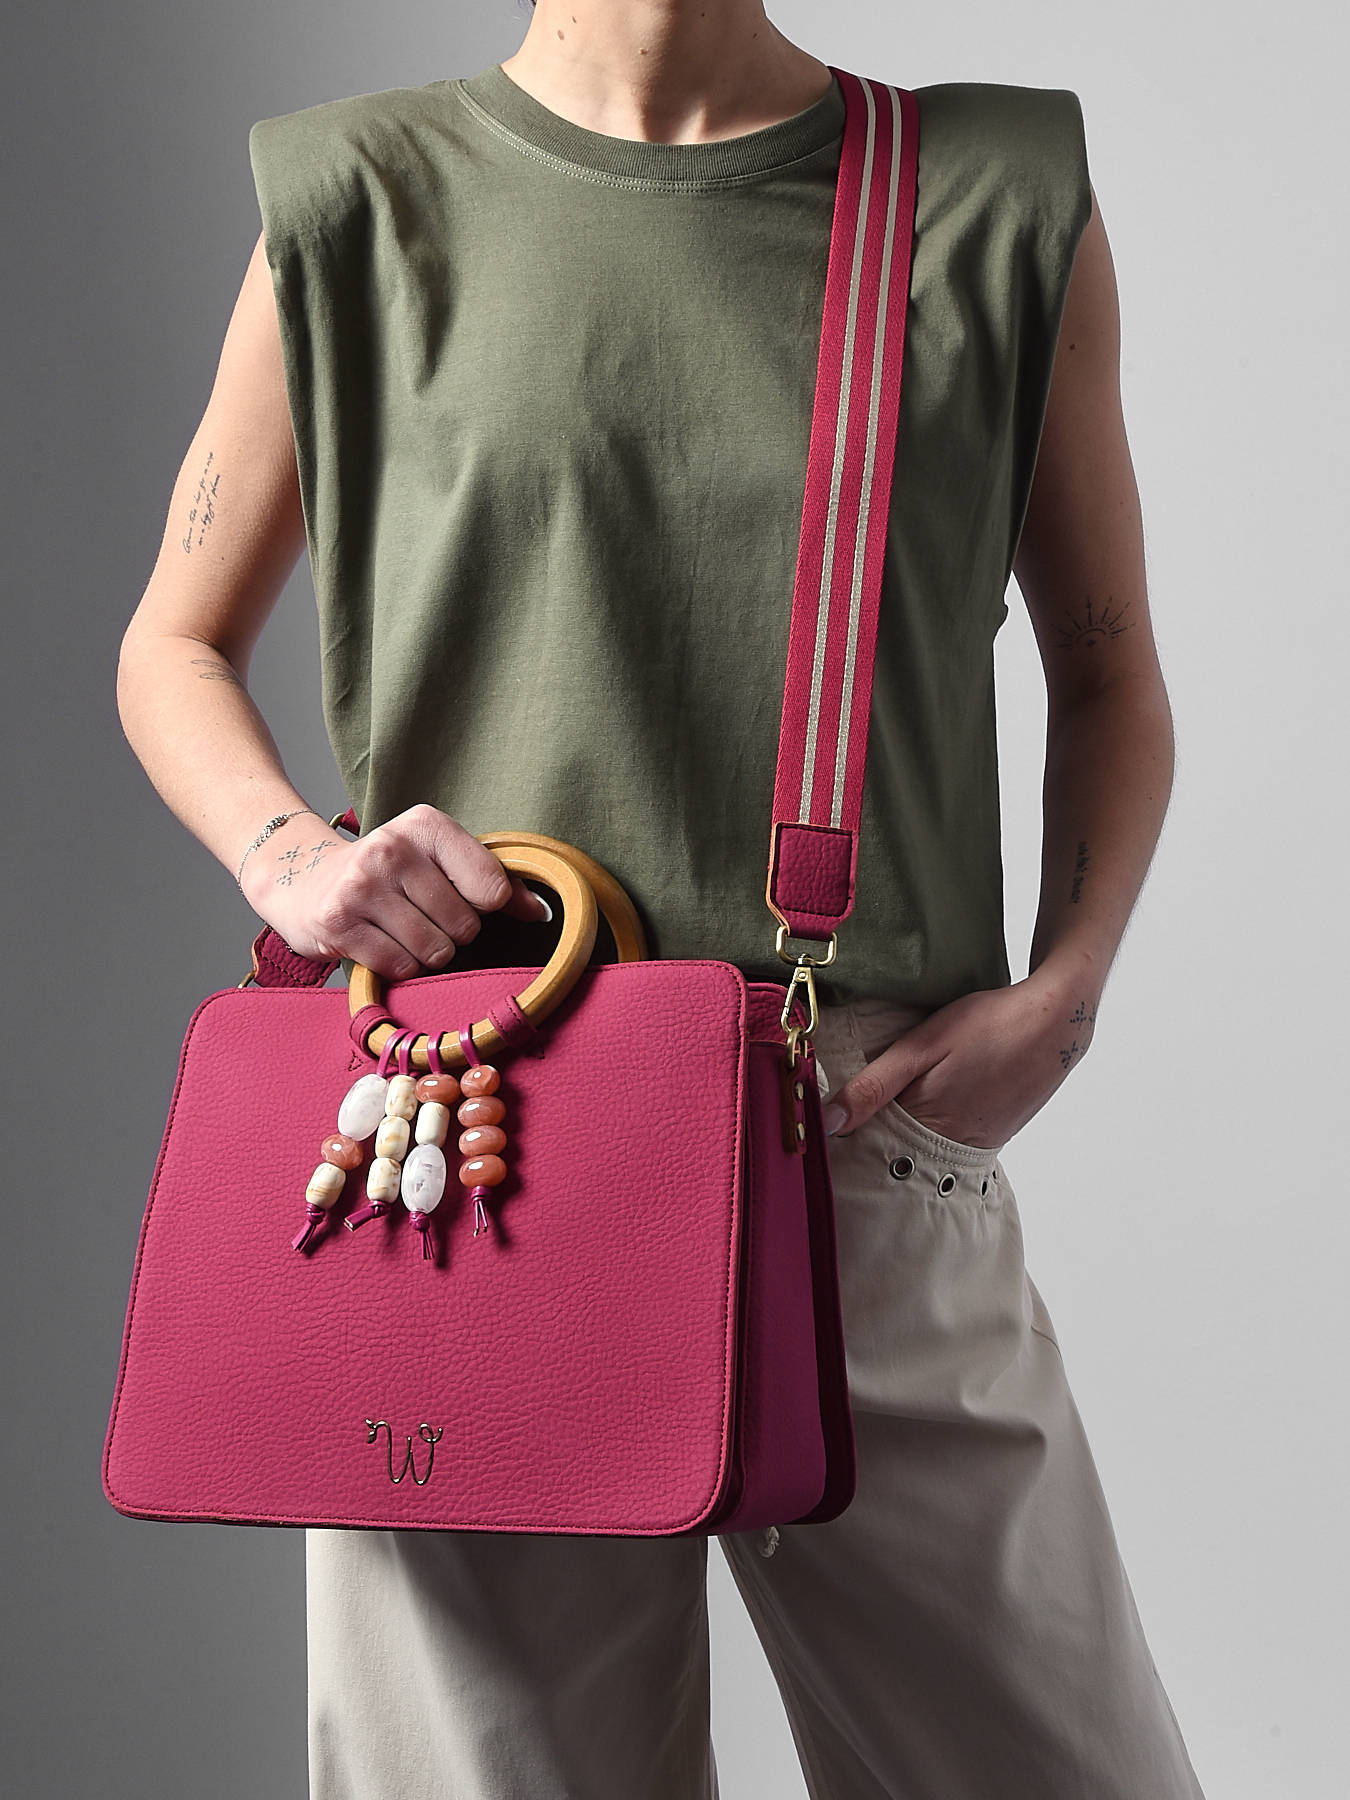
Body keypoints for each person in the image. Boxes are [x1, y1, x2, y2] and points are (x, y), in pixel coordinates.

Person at [115, 2, 1209, 1794]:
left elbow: (1105, 668)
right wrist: (295, 863)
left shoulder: (992, 195)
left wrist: (1066, 988)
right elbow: (174, 640)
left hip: (854, 1124)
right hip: (475, 1138)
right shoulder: (357, 197)